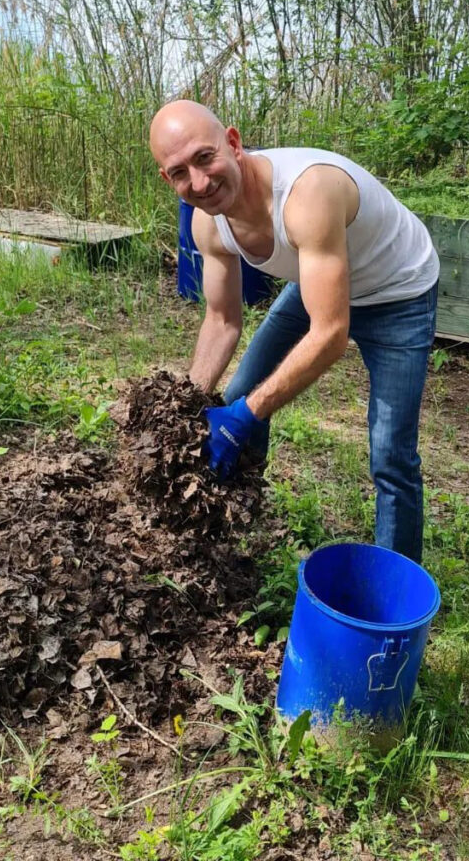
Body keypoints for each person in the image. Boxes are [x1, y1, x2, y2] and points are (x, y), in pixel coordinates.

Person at [148, 100, 440, 563]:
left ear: (234, 143)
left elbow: (330, 335)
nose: (199, 182)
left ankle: (396, 585)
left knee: (390, 453)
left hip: (396, 293)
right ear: (168, 180)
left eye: (205, 158)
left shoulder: (307, 192)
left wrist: (245, 416)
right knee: (240, 389)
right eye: (180, 172)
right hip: (318, 280)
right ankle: (239, 512)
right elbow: (221, 320)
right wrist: (185, 404)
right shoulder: (207, 222)